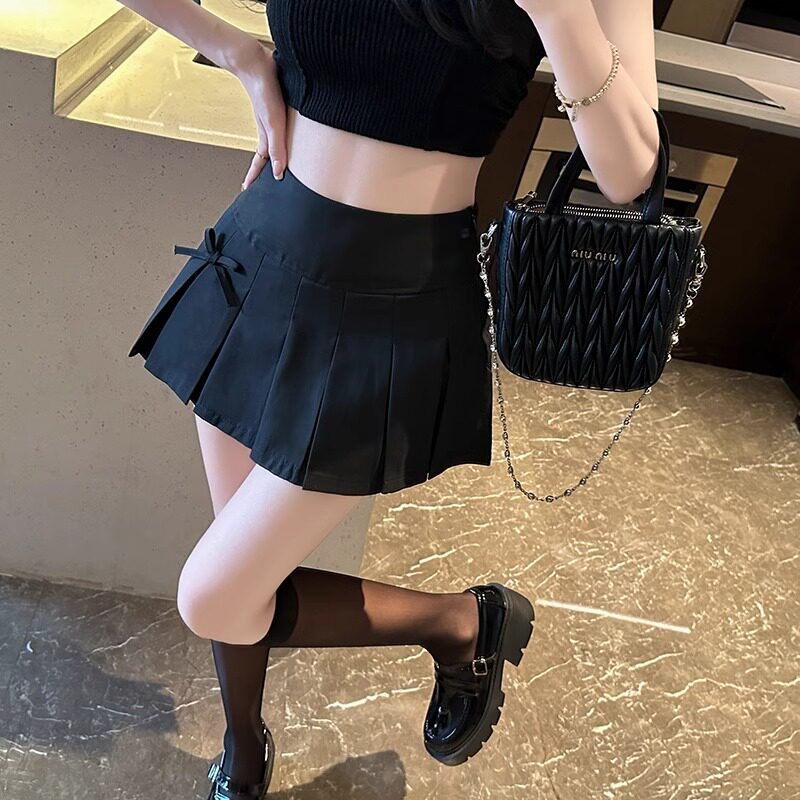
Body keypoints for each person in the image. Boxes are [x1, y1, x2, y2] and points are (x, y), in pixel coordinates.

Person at [120, 0, 661, 796]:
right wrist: (236, 51)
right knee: (241, 568)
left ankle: (458, 622)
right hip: (262, 250)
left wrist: (559, 15)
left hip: (393, 304)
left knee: (216, 594)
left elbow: (631, 174)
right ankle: (244, 744)